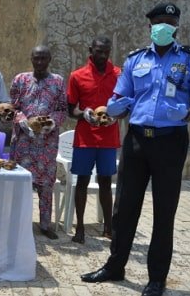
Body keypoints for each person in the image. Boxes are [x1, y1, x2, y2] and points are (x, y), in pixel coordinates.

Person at [80, 3, 190, 296]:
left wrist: (189, 114)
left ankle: (156, 279)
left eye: (169, 22)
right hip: (137, 140)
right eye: (159, 22)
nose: (164, 26)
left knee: (164, 212)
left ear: (176, 26)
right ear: (149, 26)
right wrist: (115, 107)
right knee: (124, 208)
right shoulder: (134, 60)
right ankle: (115, 266)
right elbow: (120, 98)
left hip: (171, 141)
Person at [66, 35, 121, 244]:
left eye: (106, 51)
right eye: (98, 51)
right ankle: (79, 227)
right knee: (82, 180)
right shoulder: (77, 76)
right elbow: (71, 108)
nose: (102, 55)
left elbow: (125, 104)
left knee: (106, 182)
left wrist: (116, 115)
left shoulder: (118, 74)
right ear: (91, 50)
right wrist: (84, 114)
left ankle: (108, 227)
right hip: (85, 138)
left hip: (108, 137)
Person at [10, 45, 67, 239]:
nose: (40, 62)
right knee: (22, 183)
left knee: (46, 185)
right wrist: (23, 122)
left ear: (49, 59)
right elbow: (13, 108)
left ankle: (44, 225)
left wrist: (50, 122)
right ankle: (20, 223)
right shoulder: (20, 80)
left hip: (47, 143)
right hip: (24, 142)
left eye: (44, 58)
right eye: (36, 58)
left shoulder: (58, 82)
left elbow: (62, 109)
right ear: (31, 59)